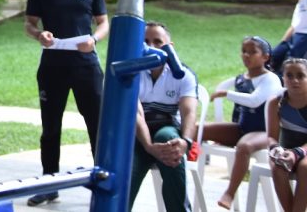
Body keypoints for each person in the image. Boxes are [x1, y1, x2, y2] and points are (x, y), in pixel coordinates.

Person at [23, 0, 109, 205]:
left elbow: (104, 23)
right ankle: (49, 183)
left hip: (86, 66)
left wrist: (94, 40)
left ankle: (102, 182)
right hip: (52, 67)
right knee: (51, 128)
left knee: (96, 126)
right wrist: (40, 35)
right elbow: (29, 23)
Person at [199, 36, 282, 209]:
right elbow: (239, 111)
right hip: (243, 128)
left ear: (265, 57)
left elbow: (254, 100)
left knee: (244, 147)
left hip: (265, 131)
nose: (247, 55)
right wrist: (224, 135)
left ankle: (229, 192)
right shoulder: (240, 79)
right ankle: (186, 167)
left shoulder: (271, 79)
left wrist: (225, 94)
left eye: (253, 52)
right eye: (244, 51)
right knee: (196, 130)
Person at [130, 22, 199, 212]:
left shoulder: (183, 74)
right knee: (128, 170)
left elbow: (189, 112)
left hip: (167, 129)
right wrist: (149, 147)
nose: (151, 47)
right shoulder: (131, 71)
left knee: (170, 141)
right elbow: (136, 115)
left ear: (170, 46)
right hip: (136, 134)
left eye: (158, 42)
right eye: (145, 42)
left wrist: (185, 141)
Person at [265, 57, 307, 212]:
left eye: (300, 76)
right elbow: (271, 136)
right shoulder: (276, 102)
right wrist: (276, 149)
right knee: (278, 168)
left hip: (303, 152)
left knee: (305, 167)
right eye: (289, 75)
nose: (294, 80)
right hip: (287, 149)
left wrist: (296, 153)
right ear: (283, 78)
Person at [270, 0, 307, 71]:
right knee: (274, 56)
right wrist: (283, 43)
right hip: (295, 37)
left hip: (304, 38)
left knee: (292, 65)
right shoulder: (300, 2)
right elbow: (294, 26)